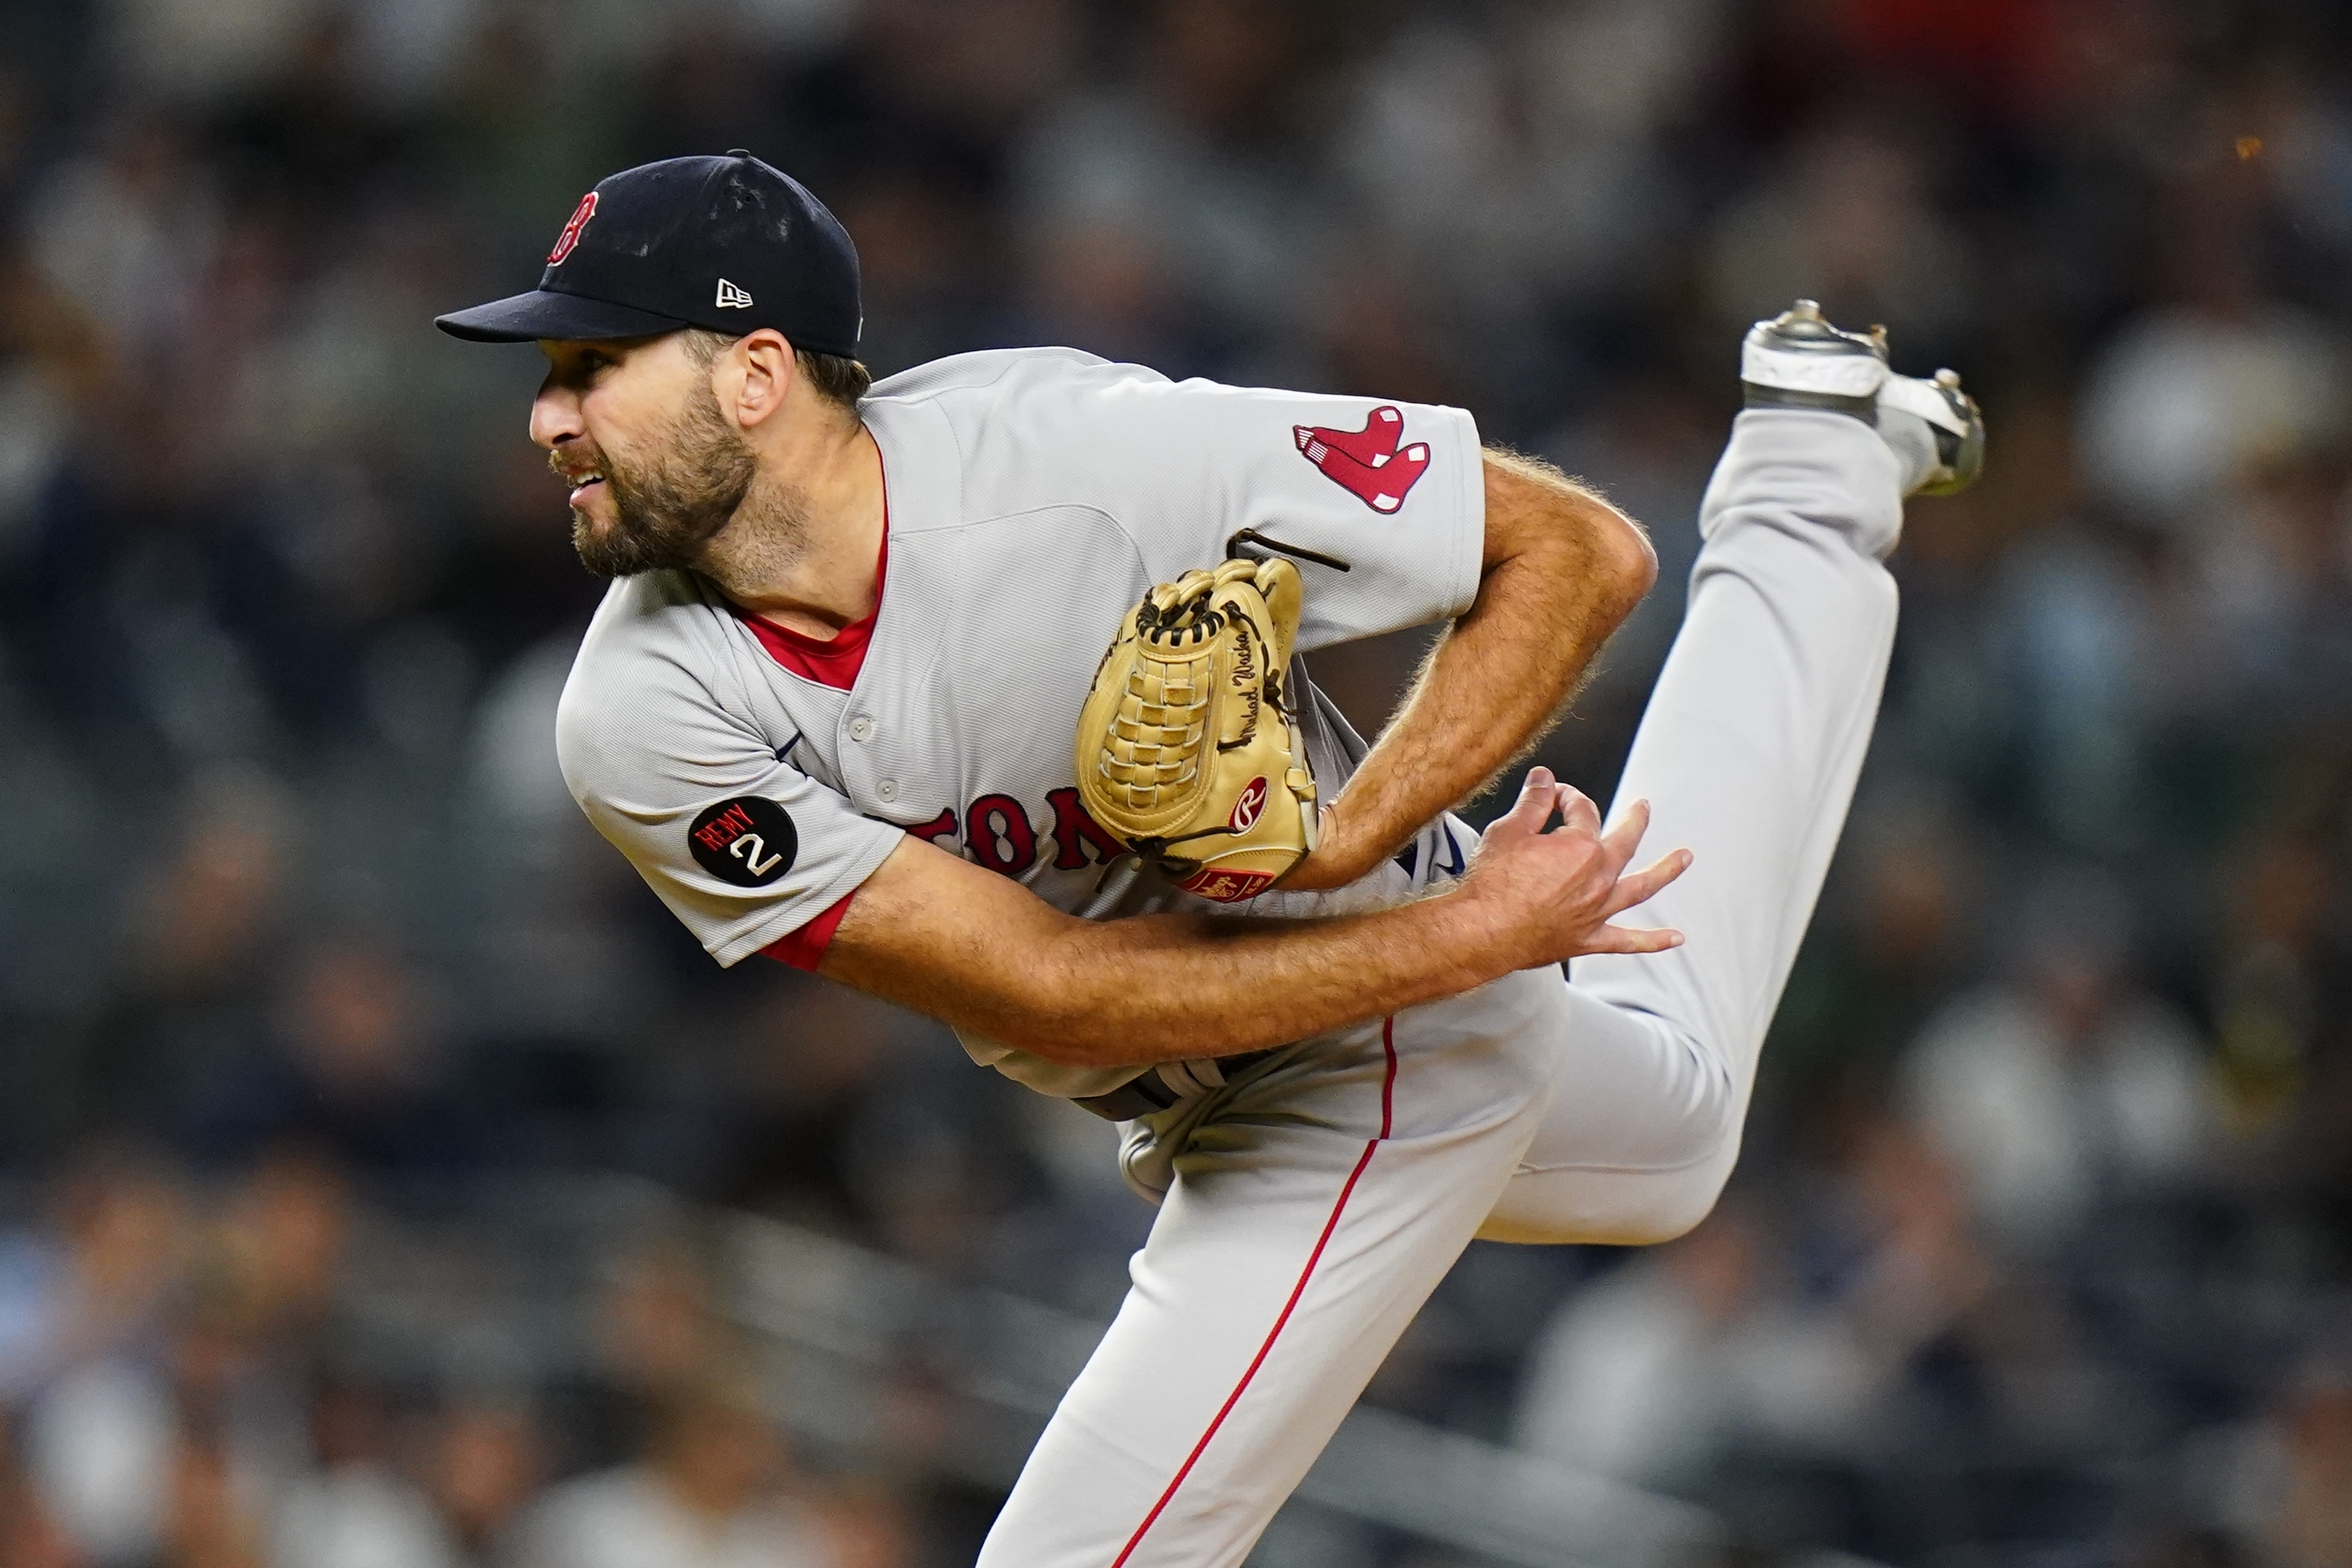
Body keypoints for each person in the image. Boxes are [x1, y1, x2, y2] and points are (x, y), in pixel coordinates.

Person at [436, 151, 1982, 1567]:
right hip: (1254, 1034)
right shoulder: (639, 714)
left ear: (758, 373)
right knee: (1683, 1131)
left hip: (1377, 1046)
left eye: (593, 363)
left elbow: (1576, 551)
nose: (545, 412)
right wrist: (1478, 927)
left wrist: (1352, 838)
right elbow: (1052, 986)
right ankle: (1815, 462)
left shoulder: (1089, 464)